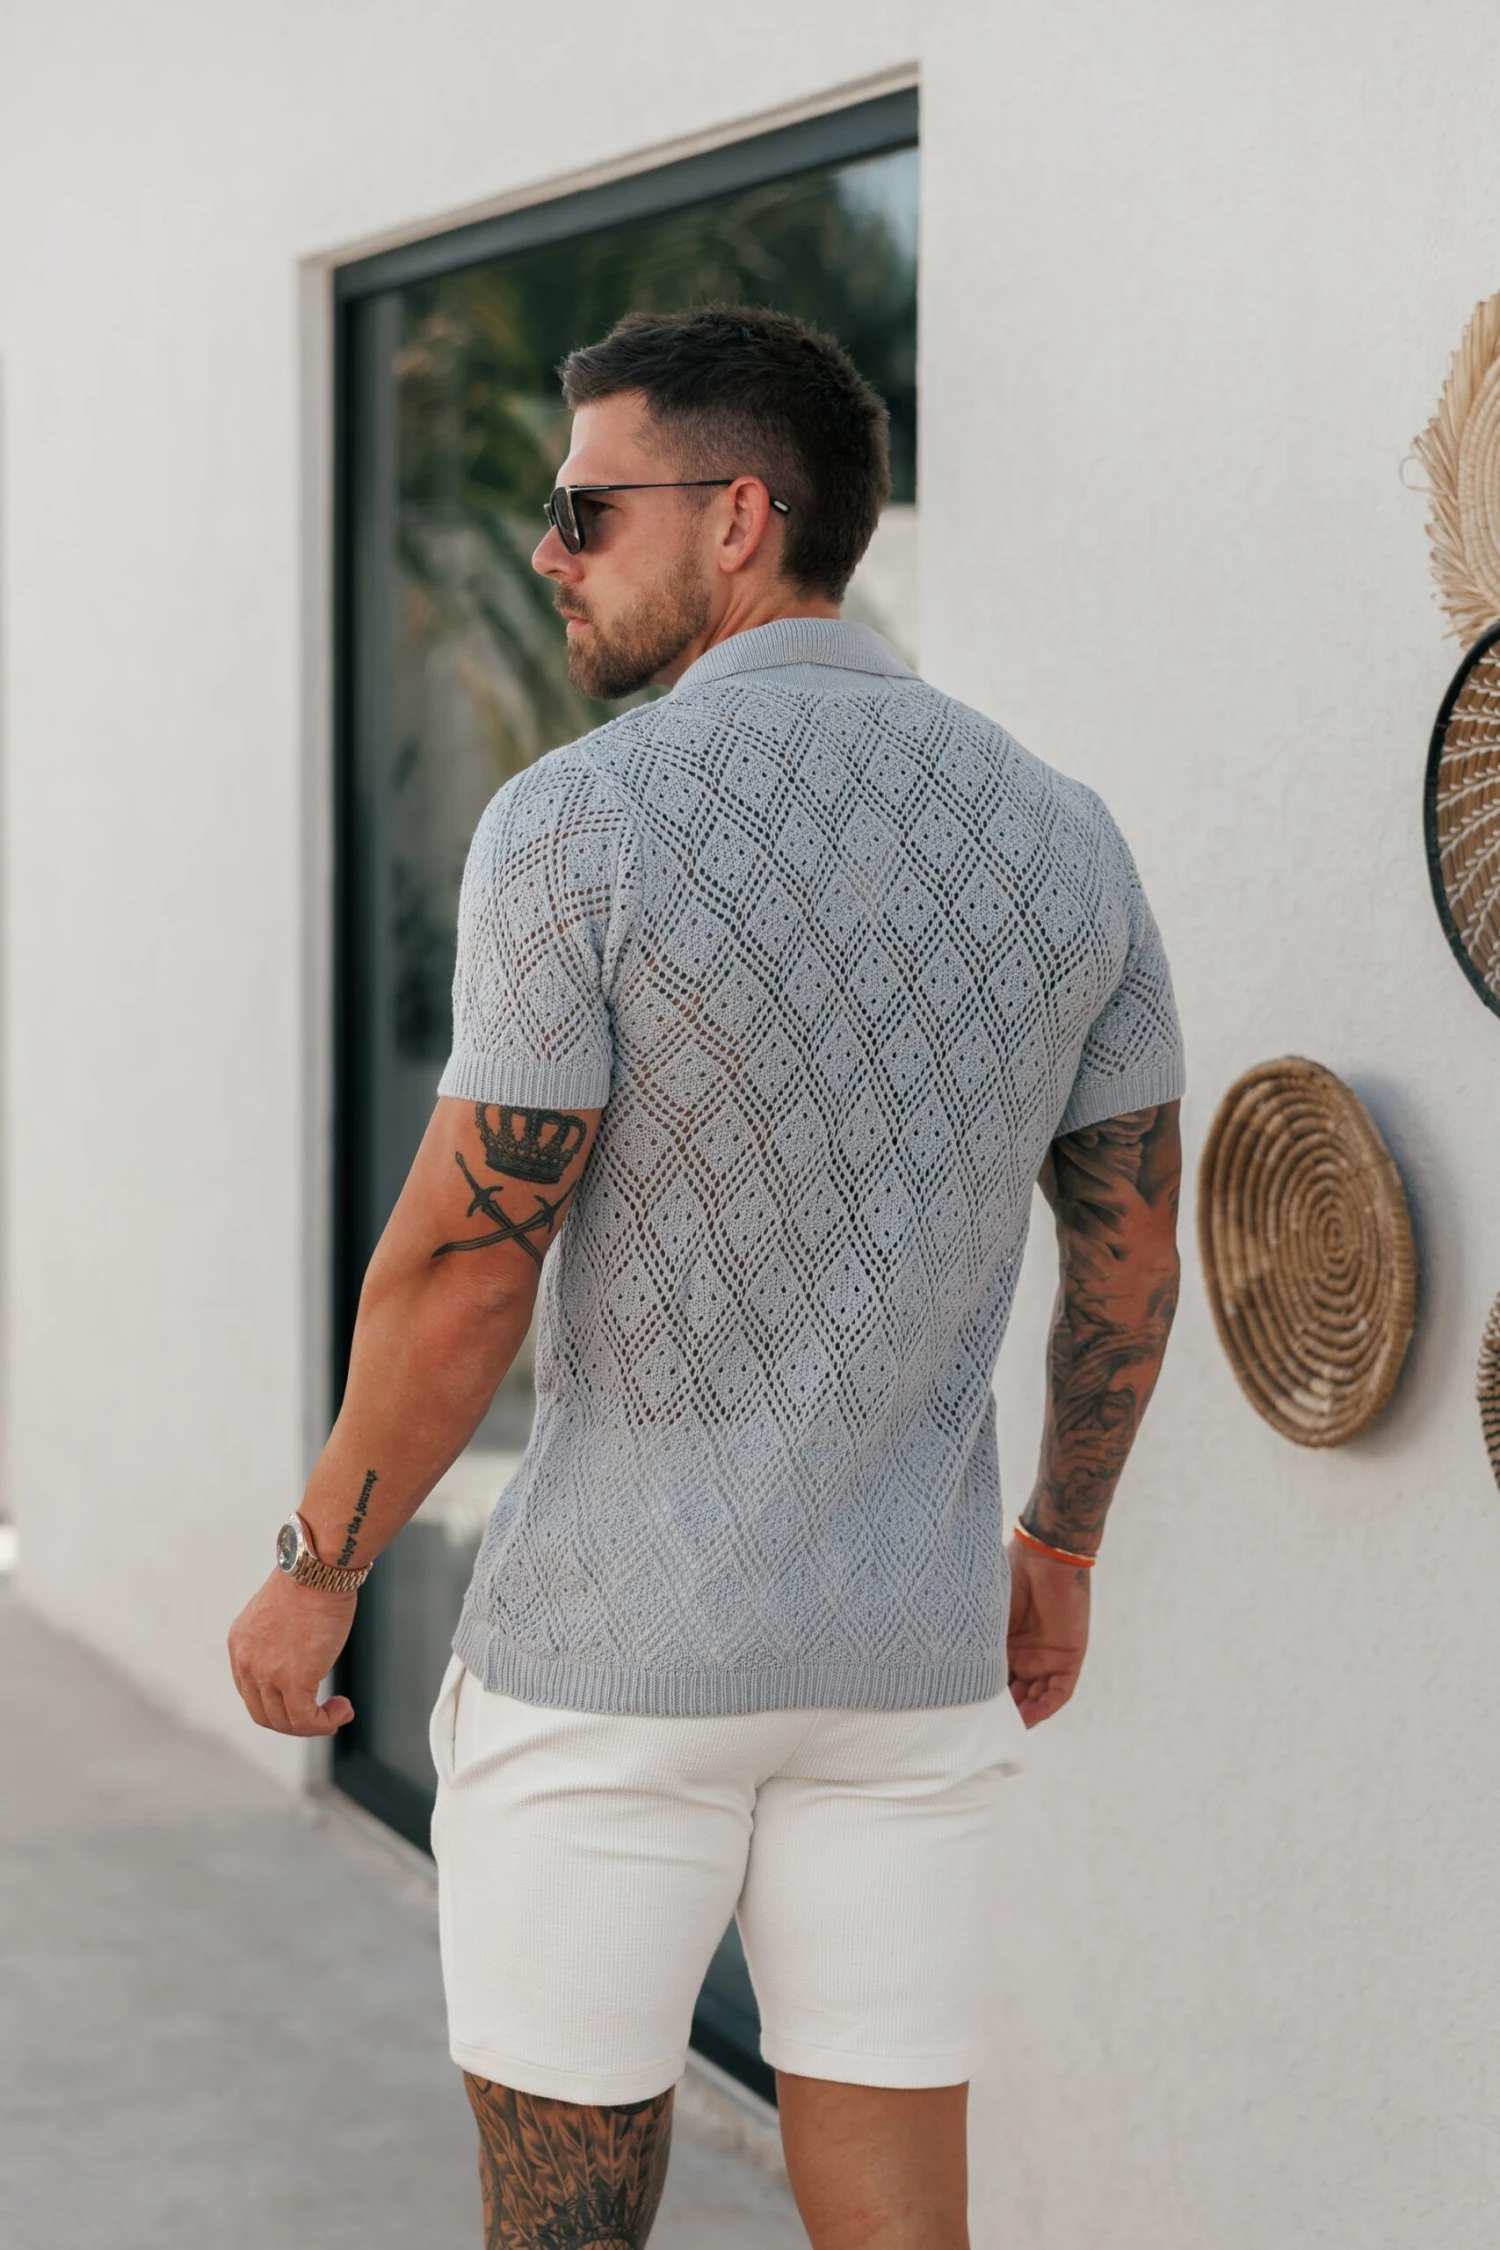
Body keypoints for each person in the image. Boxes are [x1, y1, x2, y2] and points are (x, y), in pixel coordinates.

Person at [229, 302, 1185, 2250]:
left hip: (616, 1665)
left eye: (589, 510)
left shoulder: (578, 821)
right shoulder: (1066, 838)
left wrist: (323, 1558)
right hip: (906, 1664)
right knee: (903, 2211)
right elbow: (1132, 1250)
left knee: (566, 2226)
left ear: (741, 516)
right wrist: (1061, 1547)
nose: (545, 550)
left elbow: (467, 1265)